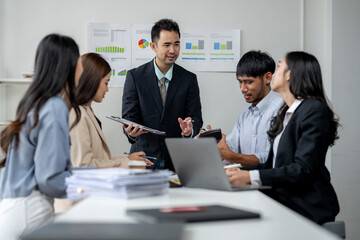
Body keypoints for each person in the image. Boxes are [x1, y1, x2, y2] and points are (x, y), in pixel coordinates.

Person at [227, 51, 340, 224]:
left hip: (306, 207)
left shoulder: (313, 109)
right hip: (283, 202)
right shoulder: (285, 113)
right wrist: (237, 172)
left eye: (279, 67)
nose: (274, 73)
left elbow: (303, 170)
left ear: (291, 75)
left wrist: (250, 177)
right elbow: (272, 165)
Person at [0, 34, 83, 240]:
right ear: (67, 65)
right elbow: (50, 179)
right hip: (31, 210)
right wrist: (90, 185)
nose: (82, 68)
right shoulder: (54, 107)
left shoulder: (33, 102)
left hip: (13, 209)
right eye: (78, 60)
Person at [122, 19, 203, 170]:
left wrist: (190, 129)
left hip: (178, 160)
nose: (173, 50)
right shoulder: (135, 77)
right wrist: (132, 133)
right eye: (167, 45)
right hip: (144, 159)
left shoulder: (189, 79)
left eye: (176, 44)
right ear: (153, 46)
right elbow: (128, 117)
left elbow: (196, 118)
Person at [69, 52, 153, 168]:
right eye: (106, 83)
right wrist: (128, 162)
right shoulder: (77, 115)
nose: (107, 89)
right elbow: (84, 165)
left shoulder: (86, 112)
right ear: (92, 81)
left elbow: (100, 159)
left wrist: (129, 159)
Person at [214, 50, 283, 166]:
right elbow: (231, 147)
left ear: (267, 78)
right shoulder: (245, 115)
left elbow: (274, 157)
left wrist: (234, 157)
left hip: (272, 181)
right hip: (245, 181)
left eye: (248, 82)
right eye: (240, 82)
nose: (242, 88)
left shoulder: (282, 109)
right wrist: (218, 144)